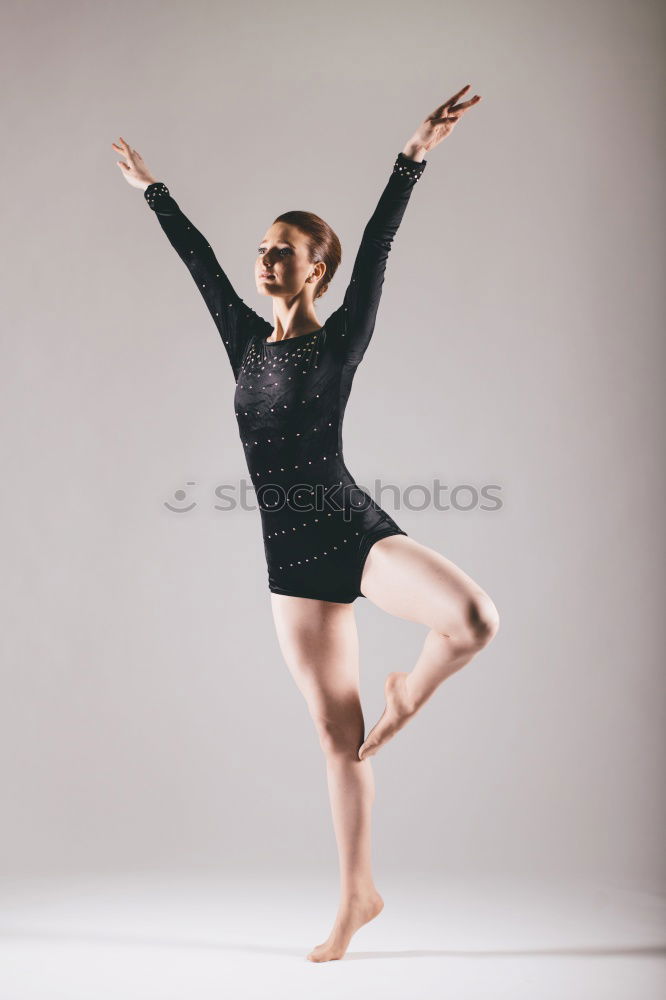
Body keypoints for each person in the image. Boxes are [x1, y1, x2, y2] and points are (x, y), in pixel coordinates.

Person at [112, 84, 499, 963]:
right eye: (262, 251)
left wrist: (413, 156)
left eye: (281, 253)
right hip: (290, 565)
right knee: (338, 740)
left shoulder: (343, 337)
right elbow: (199, 262)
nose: (263, 263)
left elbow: (379, 245)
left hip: (352, 532)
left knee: (474, 619)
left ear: (314, 268)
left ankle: (412, 693)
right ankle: (357, 894)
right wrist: (153, 191)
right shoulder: (244, 341)